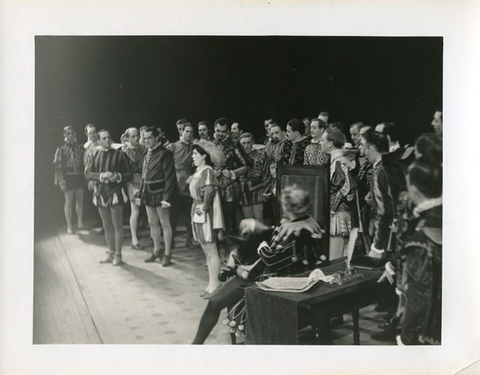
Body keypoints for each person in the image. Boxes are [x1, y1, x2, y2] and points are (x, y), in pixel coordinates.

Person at [191, 185, 324, 344]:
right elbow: (279, 242)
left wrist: (249, 262)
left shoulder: (295, 231)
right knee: (222, 291)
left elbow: (273, 259)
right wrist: (259, 227)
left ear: (288, 208)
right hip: (276, 275)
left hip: (272, 281)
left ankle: (196, 346)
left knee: (214, 302)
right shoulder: (306, 223)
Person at [85, 129, 132, 266]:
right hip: (100, 193)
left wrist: (118, 176)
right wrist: (100, 176)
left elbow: (129, 173)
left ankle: (118, 254)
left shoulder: (120, 155)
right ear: (98, 141)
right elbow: (87, 174)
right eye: (104, 138)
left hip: (116, 192)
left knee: (117, 225)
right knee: (107, 226)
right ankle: (110, 252)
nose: (107, 140)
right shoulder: (95, 154)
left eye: (109, 138)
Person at [189, 141, 226, 297]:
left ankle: (215, 283)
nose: (193, 156)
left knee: (211, 250)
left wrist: (204, 207)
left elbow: (210, 191)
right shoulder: (199, 171)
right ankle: (211, 282)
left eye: (196, 154)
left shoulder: (207, 171)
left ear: (204, 156)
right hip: (197, 210)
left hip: (205, 213)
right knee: (206, 251)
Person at [140, 127, 178, 267]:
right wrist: (140, 192)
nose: (147, 141)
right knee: (152, 223)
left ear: (157, 138)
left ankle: (167, 253)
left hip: (161, 193)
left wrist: (166, 198)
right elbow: (143, 175)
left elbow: (170, 177)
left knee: (165, 224)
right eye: (145, 138)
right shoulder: (146, 153)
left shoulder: (165, 154)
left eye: (149, 138)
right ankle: (157, 250)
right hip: (148, 193)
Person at [320, 127, 357, 260]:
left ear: (330, 143)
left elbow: (345, 188)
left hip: (337, 216)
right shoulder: (335, 160)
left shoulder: (338, 162)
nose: (320, 143)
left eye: (323, 140)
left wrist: (331, 210)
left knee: (335, 261)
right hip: (337, 214)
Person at [212, 118, 251, 237]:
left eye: (223, 131)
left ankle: (230, 250)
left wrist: (232, 173)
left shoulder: (234, 144)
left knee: (229, 221)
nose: (220, 134)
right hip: (212, 187)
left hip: (230, 188)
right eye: (218, 131)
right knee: (215, 220)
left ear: (228, 131)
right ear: (214, 129)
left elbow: (247, 164)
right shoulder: (209, 143)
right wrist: (212, 171)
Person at [166, 122, 195, 249]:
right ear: (181, 132)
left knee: (190, 213)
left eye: (191, 132)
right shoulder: (173, 146)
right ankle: (170, 241)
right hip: (176, 182)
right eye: (187, 131)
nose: (189, 134)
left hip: (189, 182)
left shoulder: (195, 147)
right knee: (173, 214)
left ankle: (189, 240)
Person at [54, 126, 86, 234]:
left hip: (79, 176)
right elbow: (57, 167)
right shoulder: (61, 149)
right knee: (69, 202)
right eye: (68, 133)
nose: (71, 135)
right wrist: (61, 181)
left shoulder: (81, 147)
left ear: (75, 134)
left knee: (80, 200)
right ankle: (69, 225)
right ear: (65, 135)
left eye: (72, 133)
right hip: (68, 177)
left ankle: (80, 222)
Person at [122, 127, 146, 249]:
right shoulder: (125, 152)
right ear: (127, 138)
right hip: (133, 183)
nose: (136, 138)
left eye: (137, 135)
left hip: (146, 181)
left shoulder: (144, 148)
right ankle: (134, 239)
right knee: (135, 210)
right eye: (133, 136)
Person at [238, 133, 268, 221]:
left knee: (259, 218)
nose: (246, 145)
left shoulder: (260, 155)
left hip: (257, 189)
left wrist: (265, 190)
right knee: (248, 219)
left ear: (253, 143)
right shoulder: (237, 157)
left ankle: (260, 234)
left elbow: (265, 172)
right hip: (243, 190)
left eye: (248, 142)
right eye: (243, 143)